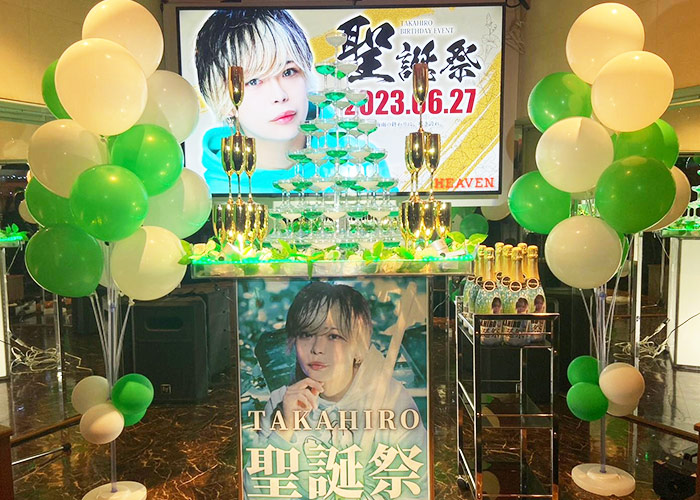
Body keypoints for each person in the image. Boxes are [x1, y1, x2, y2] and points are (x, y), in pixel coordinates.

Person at [245, 282, 427, 499]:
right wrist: (284, 429)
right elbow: (256, 493)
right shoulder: (283, 401)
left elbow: (418, 489)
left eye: (333, 336)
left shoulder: (391, 400)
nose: (317, 349)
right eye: (306, 334)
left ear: (359, 347)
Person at [195, 9, 313, 192]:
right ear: (223, 97)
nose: (279, 95)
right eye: (254, 81)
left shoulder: (354, 156)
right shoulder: (214, 192)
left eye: (288, 72)